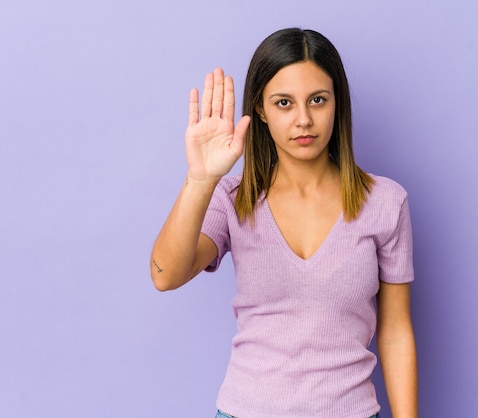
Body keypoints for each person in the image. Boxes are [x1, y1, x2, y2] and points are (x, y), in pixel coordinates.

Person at [151, 28, 418, 418]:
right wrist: (200, 180)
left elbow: (395, 333)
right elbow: (165, 274)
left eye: (317, 100)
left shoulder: (386, 202)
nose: (304, 119)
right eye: (283, 103)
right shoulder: (231, 199)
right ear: (260, 109)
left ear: (336, 103)